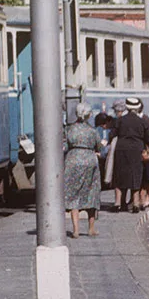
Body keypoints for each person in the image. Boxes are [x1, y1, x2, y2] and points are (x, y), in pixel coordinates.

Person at [63, 102, 104, 238]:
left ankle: (75, 230)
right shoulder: (92, 131)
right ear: (88, 115)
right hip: (89, 160)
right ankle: (91, 228)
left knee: (74, 194)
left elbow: (65, 145)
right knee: (91, 192)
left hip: (72, 160)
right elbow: (99, 146)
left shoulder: (69, 129)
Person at [110, 98, 149, 212]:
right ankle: (135, 204)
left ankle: (118, 203)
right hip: (136, 150)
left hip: (121, 150)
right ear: (138, 108)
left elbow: (112, 134)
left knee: (120, 176)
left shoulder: (120, 120)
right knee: (135, 176)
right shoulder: (142, 121)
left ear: (127, 108)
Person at [126, 97, 149, 210]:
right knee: (139, 177)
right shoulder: (135, 120)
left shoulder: (146, 120)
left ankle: (146, 198)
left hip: (147, 152)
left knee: (147, 177)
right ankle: (139, 199)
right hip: (138, 152)